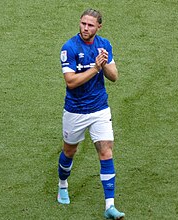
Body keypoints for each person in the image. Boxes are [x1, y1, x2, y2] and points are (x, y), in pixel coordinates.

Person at [57, 8, 125, 219]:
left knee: (106, 151)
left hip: (100, 109)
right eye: (83, 24)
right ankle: (62, 184)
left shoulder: (104, 45)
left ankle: (109, 206)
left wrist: (104, 64)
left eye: (90, 25)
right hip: (76, 111)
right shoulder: (69, 47)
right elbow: (71, 82)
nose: (85, 28)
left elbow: (114, 77)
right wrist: (95, 68)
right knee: (70, 151)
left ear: (99, 27)